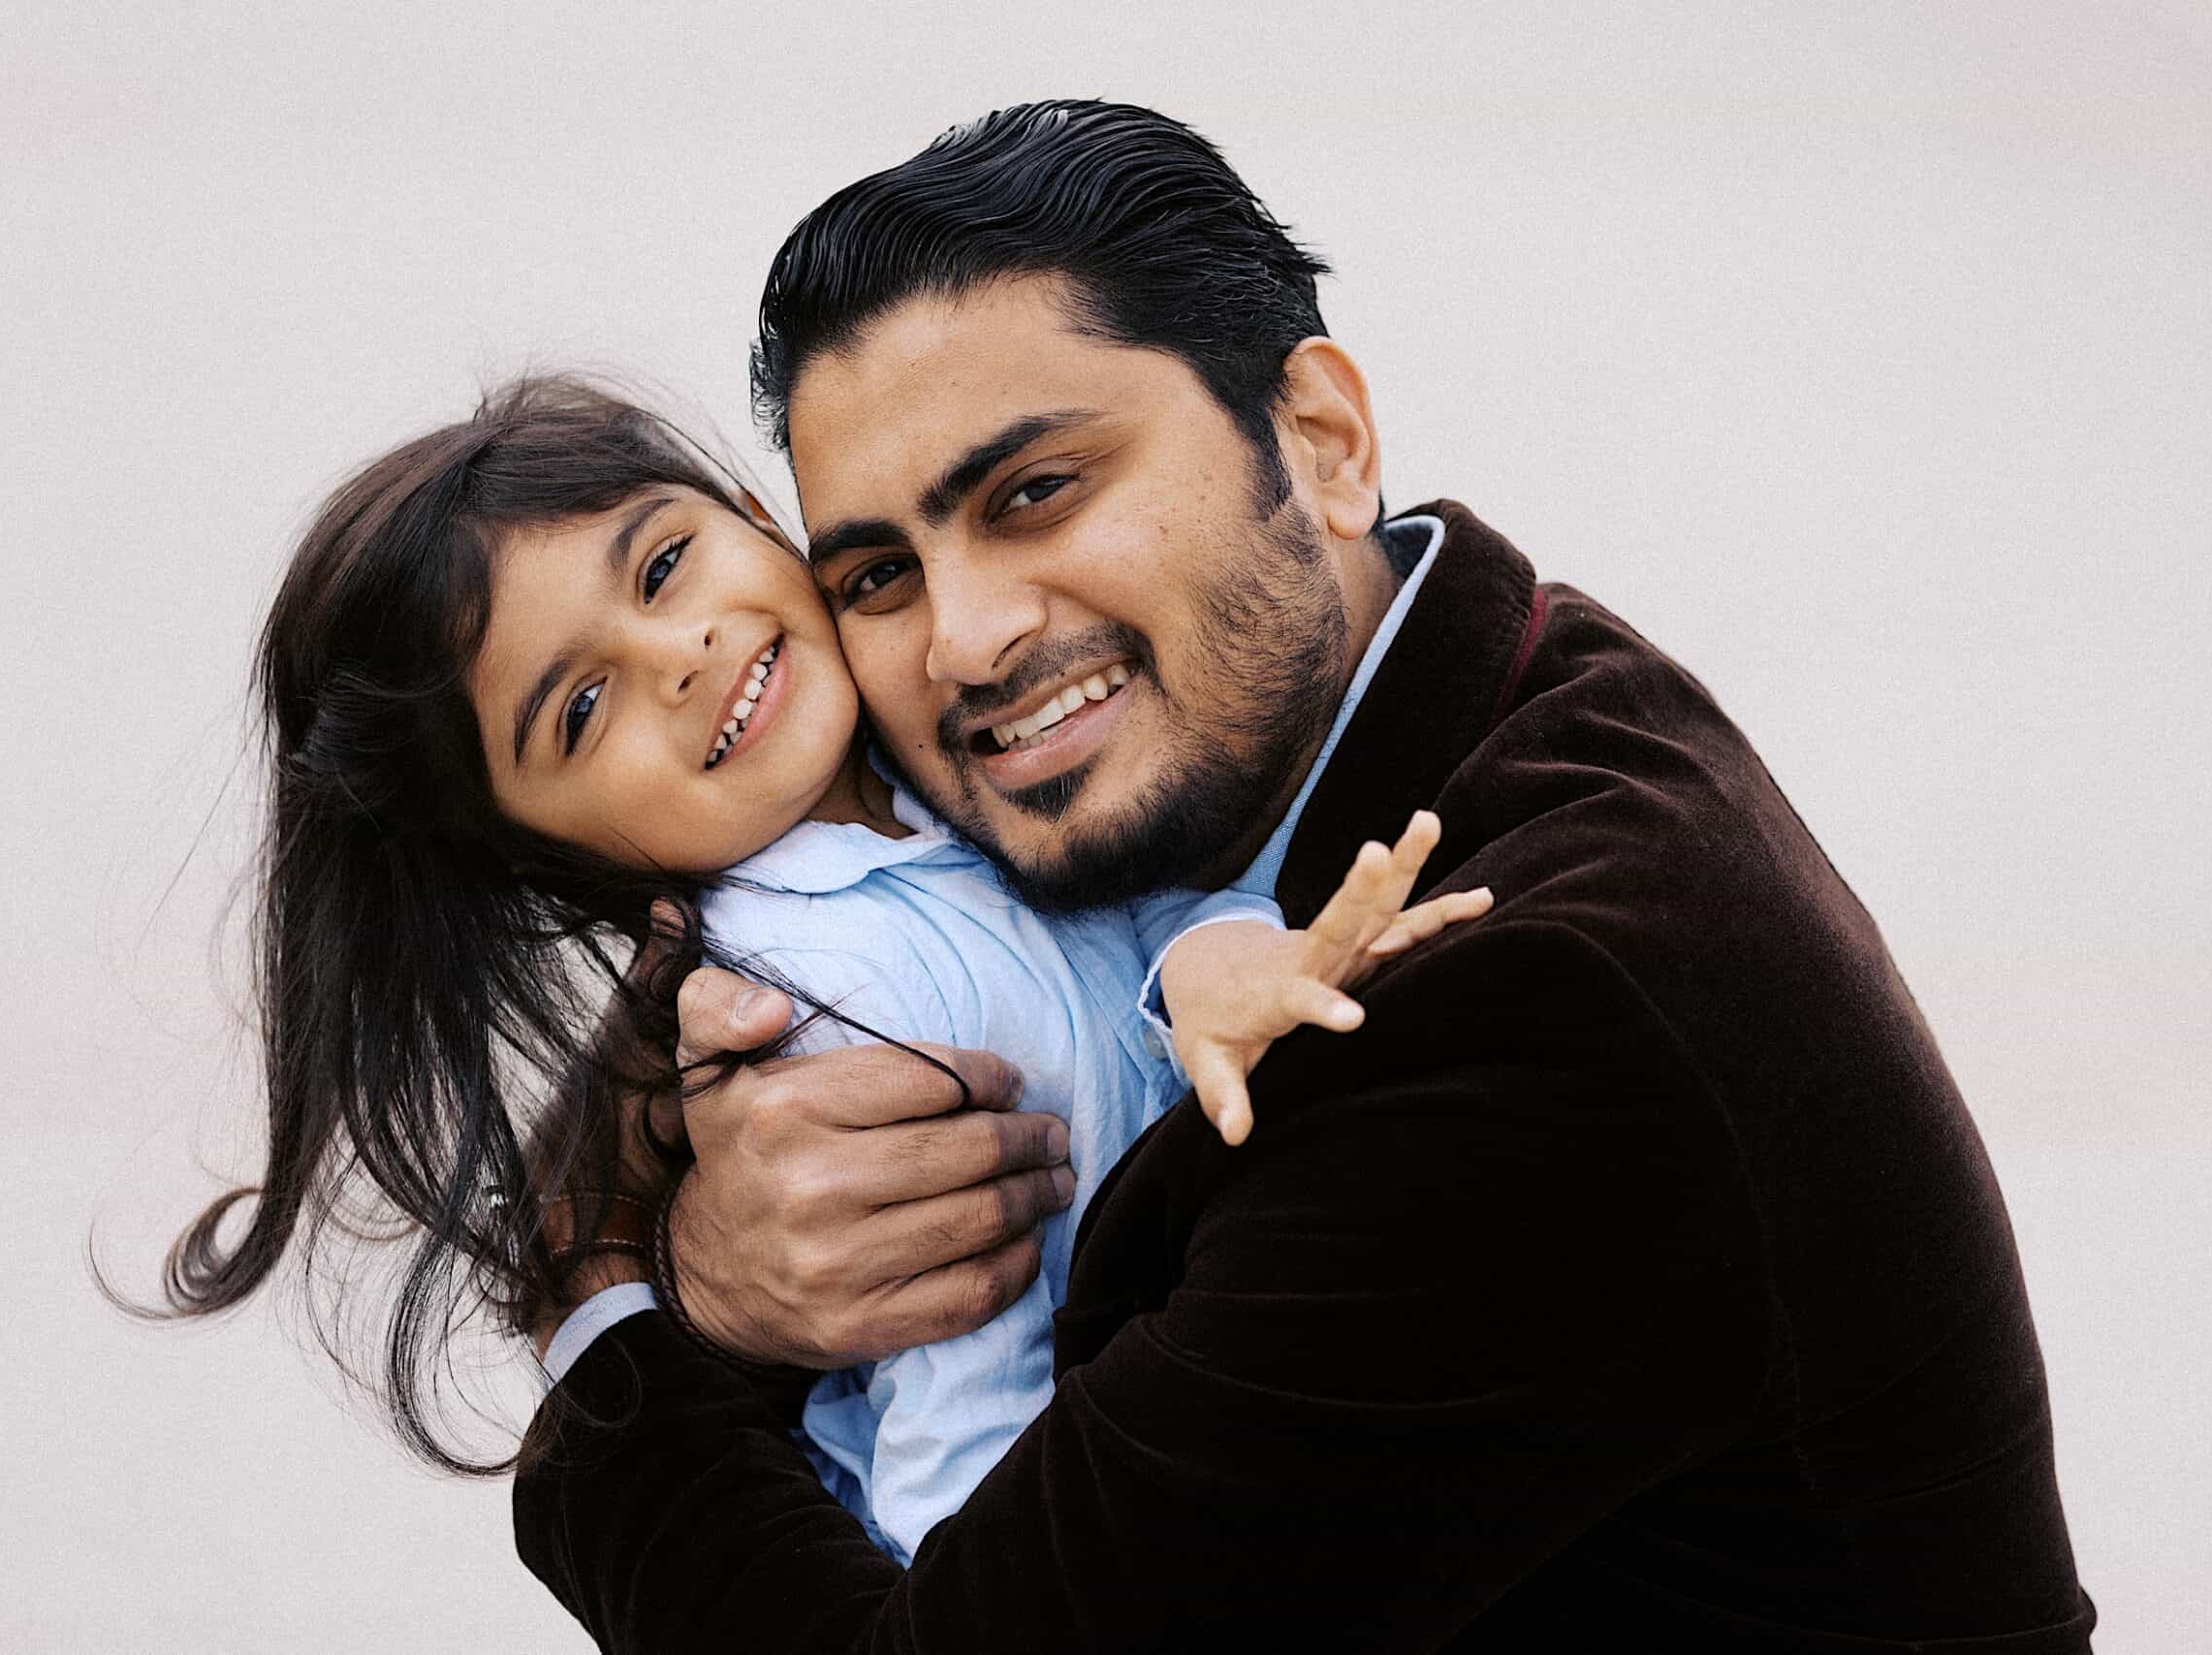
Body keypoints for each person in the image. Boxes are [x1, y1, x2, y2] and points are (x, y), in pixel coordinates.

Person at [512, 101, 2098, 1651]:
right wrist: (709, 1255)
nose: (968, 639)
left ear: (1324, 441)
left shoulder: (1538, 1002)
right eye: (877, 573)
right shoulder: (1384, 711)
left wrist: (605, 1287)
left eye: (1036, 492)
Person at [152, 373, 1485, 1565]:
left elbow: (1138, 919)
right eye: (579, 708)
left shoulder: (962, 757)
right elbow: (962, 1400)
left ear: (750, 510)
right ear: (535, 846)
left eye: (664, 565)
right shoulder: (804, 1003)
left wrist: (1218, 960)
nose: (679, 659)